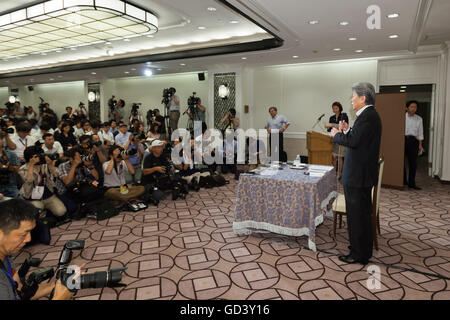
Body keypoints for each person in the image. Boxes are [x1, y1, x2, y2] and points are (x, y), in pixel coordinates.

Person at [331, 82, 382, 265]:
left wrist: (337, 134)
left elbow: (353, 142)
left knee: (356, 217)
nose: (351, 99)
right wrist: (347, 130)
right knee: (361, 215)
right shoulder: (368, 116)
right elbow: (358, 139)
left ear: (363, 98)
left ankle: (358, 254)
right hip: (360, 175)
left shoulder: (368, 117)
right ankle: (363, 251)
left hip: (357, 176)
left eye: (353, 96)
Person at [0, 199, 74, 300]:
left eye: (30, 232)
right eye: (23, 234)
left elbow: (22, 292)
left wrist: (61, 285)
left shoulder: (5, 254)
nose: (29, 239)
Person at [18, 145, 67, 218]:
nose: (40, 157)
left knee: (61, 211)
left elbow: (57, 174)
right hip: (32, 197)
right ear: (30, 158)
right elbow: (29, 180)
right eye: (37, 156)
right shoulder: (23, 169)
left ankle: (47, 212)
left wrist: (50, 165)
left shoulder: (44, 165)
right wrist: (31, 165)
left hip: (48, 195)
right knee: (38, 211)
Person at [325, 102, 349, 179]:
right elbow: (330, 130)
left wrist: (332, 125)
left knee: (340, 157)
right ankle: (334, 172)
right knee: (334, 157)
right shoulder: (331, 117)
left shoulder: (344, 116)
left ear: (339, 108)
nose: (334, 109)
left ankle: (340, 173)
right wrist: (328, 127)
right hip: (334, 139)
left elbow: (343, 127)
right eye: (333, 108)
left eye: (336, 108)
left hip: (342, 138)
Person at [404, 100, 424, 190]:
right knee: (401, 162)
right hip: (403, 140)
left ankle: (411, 183)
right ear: (407, 108)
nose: (413, 109)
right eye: (411, 107)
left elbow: (420, 133)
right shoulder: (402, 117)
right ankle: (403, 181)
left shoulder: (419, 119)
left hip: (413, 141)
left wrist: (420, 145)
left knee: (413, 163)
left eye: (415, 107)